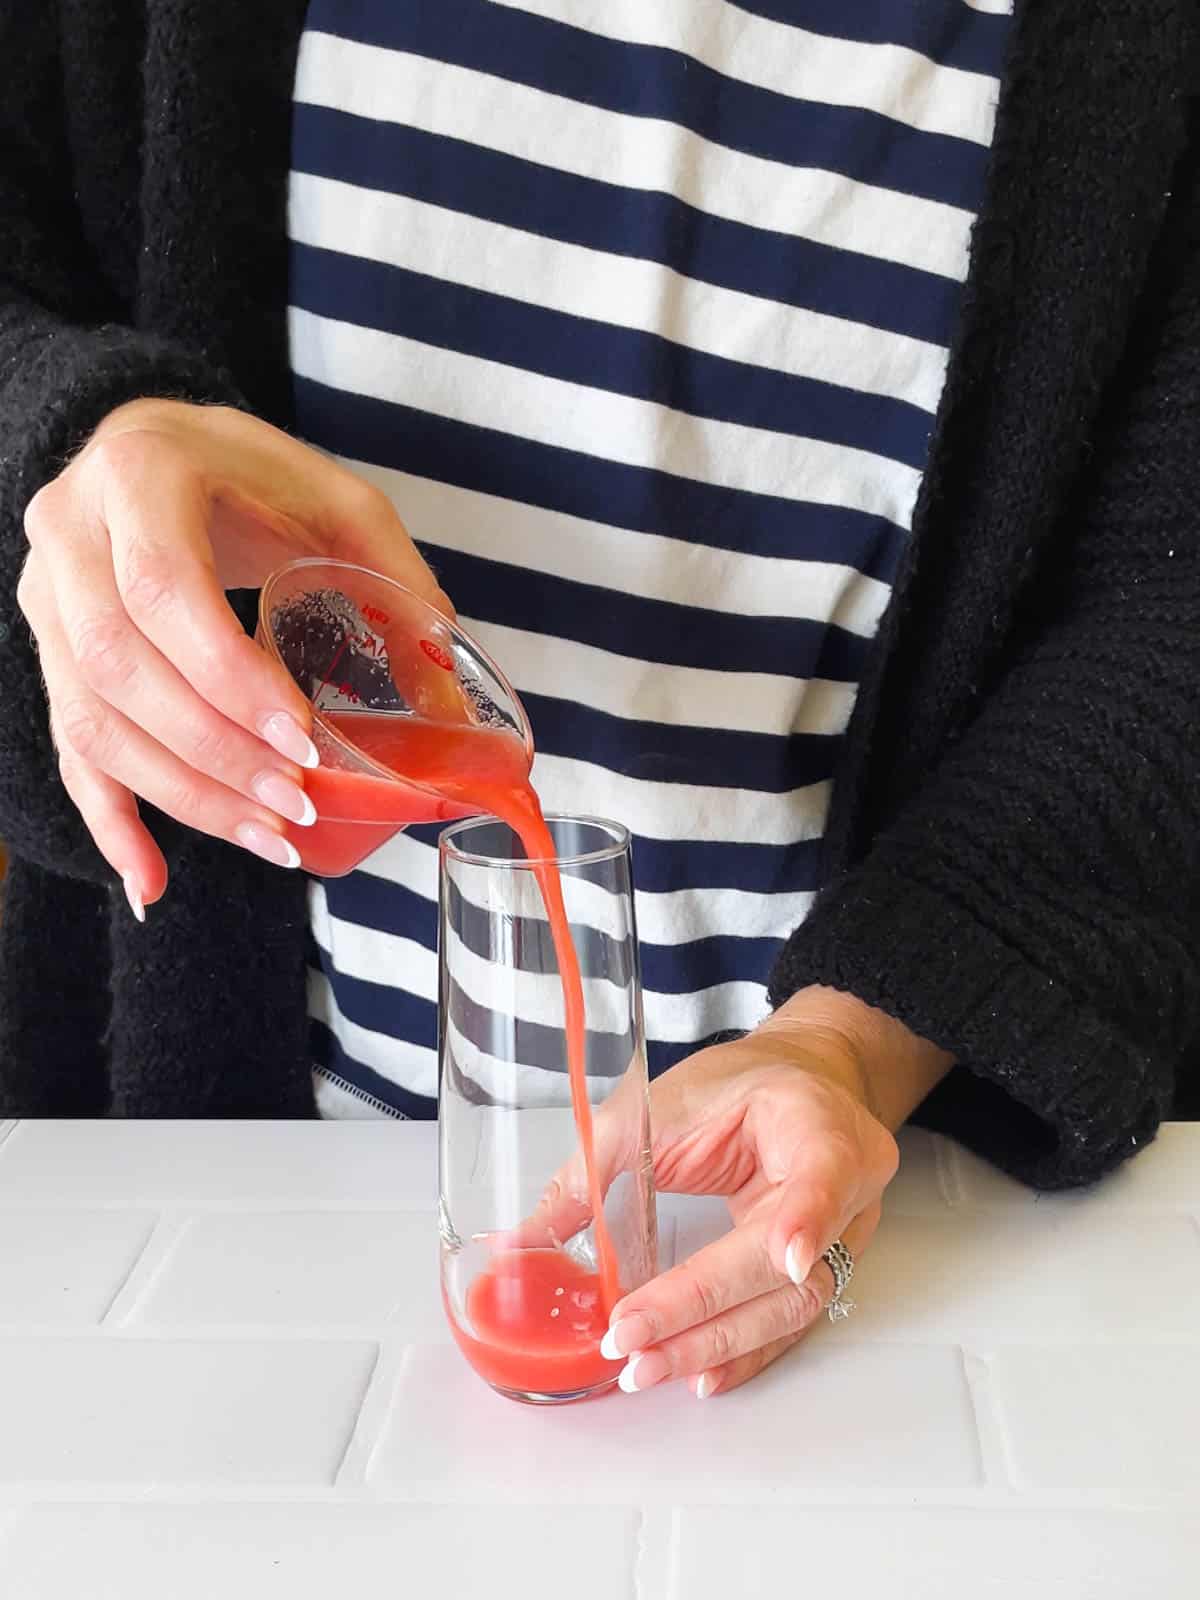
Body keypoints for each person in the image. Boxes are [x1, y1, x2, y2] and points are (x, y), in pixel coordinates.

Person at [0, 1, 1196, 1400]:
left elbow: (1165, 598)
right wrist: (82, 451)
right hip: (216, 1238)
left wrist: (851, 1050)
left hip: (906, 1240)